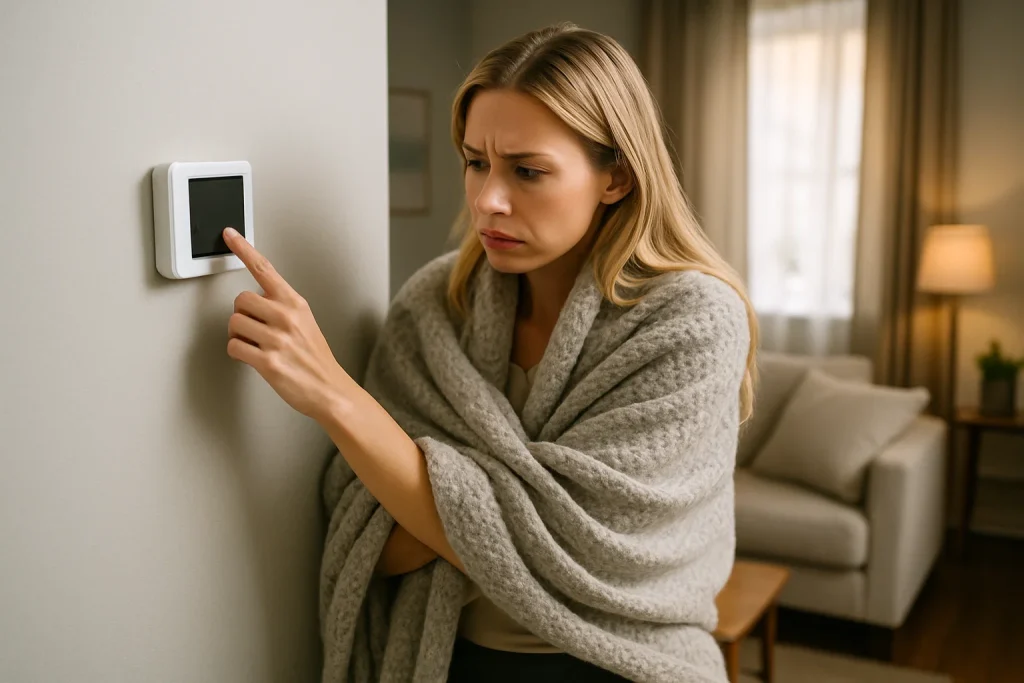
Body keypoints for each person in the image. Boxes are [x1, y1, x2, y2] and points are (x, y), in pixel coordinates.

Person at [223, 22, 757, 683]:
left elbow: (587, 547)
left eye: (528, 171)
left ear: (615, 176)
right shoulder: (432, 309)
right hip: (445, 658)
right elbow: (361, 530)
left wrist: (337, 398)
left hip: (626, 662)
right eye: (476, 162)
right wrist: (502, 510)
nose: (488, 200)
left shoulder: (693, 320)